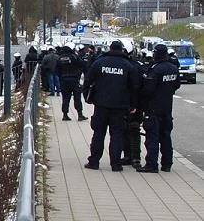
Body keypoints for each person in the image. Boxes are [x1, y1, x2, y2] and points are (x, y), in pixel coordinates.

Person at [83, 39, 140, 172]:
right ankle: (116, 164)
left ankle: (94, 162)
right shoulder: (127, 65)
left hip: (101, 104)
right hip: (120, 106)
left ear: (109, 48)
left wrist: (88, 97)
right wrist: (133, 104)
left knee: (98, 133)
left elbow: (88, 79)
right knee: (117, 135)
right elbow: (134, 86)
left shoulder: (100, 62)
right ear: (121, 50)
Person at [137, 43, 180, 173]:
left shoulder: (155, 69)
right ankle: (167, 164)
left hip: (153, 108)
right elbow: (176, 86)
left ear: (156, 54)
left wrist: (140, 94)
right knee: (166, 136)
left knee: (152, 137)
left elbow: (148, 90)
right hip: (167, 108)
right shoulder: (173, 68)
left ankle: (151, 164)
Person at [56, 46, 87, 122]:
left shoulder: (60, 58)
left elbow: (56, 70)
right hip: (74, 79)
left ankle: (65, 115)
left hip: (64, 80)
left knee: (65, 98)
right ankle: (79, 114)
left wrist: (61, 77)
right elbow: (82, 64)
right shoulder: (74, 56)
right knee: (77, 97)